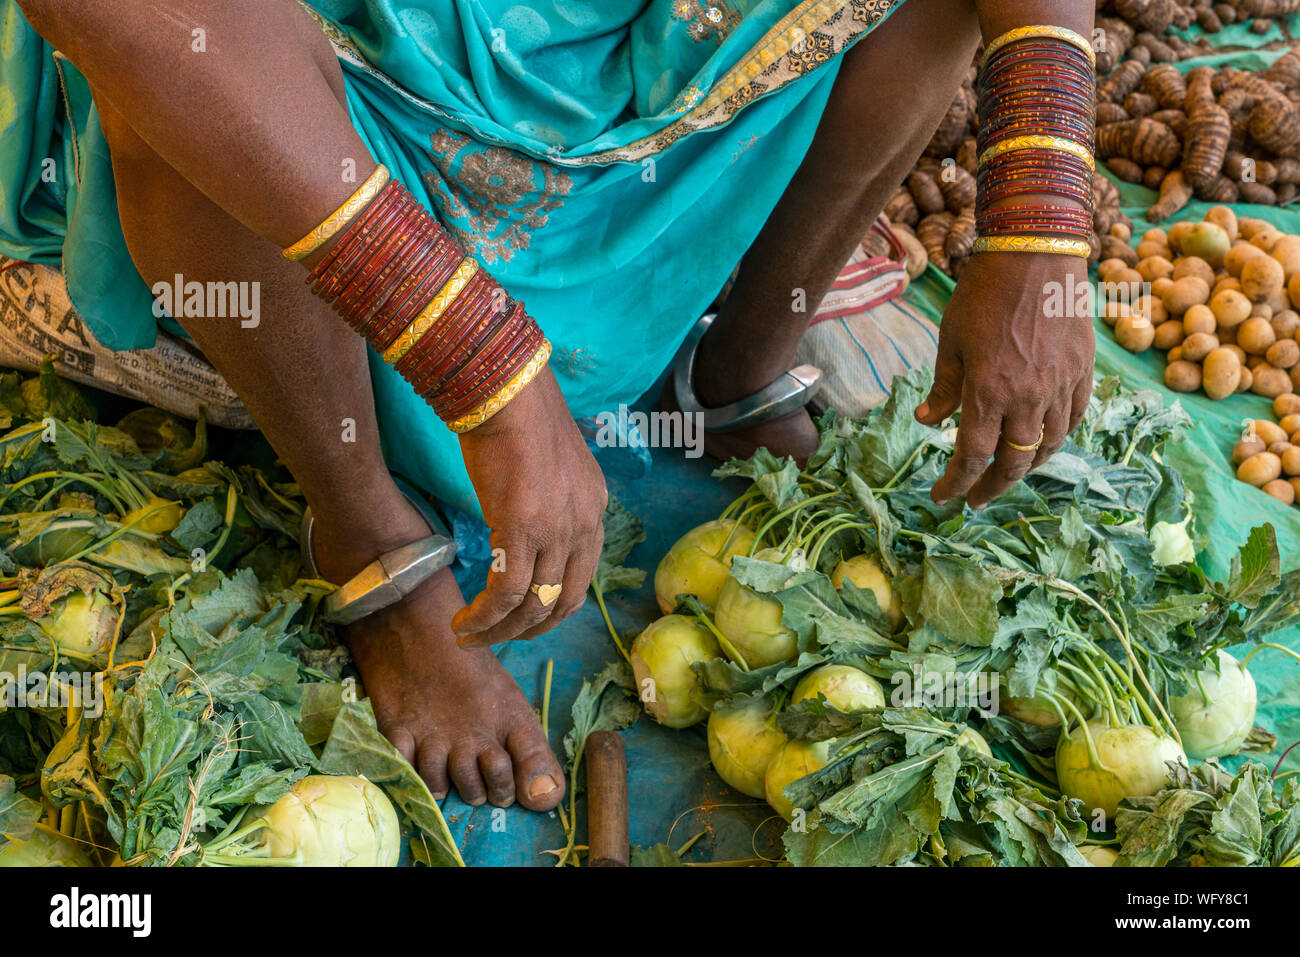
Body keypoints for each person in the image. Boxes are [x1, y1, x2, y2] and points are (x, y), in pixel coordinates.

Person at [1, 0, 1095, 812]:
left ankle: (732, 373)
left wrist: (1044, 221)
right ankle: (365, 525)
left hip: (625, 78)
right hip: (313, 124)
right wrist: (488, 370)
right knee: (173, 52)